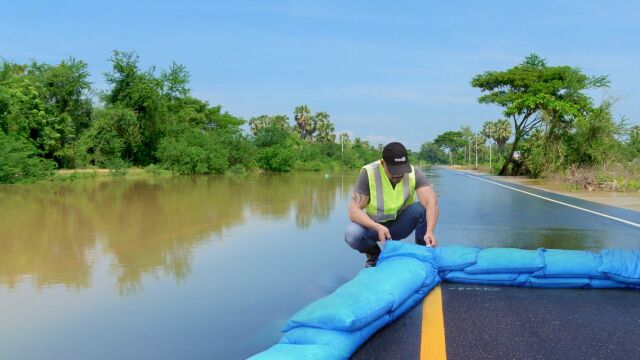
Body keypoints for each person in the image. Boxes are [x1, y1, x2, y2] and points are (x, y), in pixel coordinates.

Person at [344, 142, 439, 267]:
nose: (399, 174)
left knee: (423, 208)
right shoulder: (369, 173)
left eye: (401, 169)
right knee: (352, 234)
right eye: (394, 170)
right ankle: (375, 256)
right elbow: (353, 211)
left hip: (402, 224)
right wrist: (376, 227)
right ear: (383, 163)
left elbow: (431, 201)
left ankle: (423, 250)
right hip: (376, 228)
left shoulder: (413, 172)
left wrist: (430, 231)